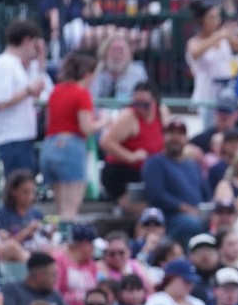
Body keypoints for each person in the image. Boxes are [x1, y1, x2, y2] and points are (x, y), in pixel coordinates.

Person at [41, 52, 108, 224]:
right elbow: (87, 127)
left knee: (60, 208)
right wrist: (104, 121)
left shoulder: (56, 91)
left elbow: (49, 124)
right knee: (70, 210)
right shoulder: (82, 94)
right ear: (87, 74)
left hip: (49, 146)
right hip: (71, 147)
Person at [0, 19, 50, 181]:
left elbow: (39, 90)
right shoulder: (5, 63)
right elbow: (1, 101)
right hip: (13, 138)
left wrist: (40, 60)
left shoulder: (17, 65)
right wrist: (29, 90)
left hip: (22, 137)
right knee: (19, 188)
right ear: (26, 40)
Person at [186, 1, 238, 130]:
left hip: (227, 90)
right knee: (208, 127)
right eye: (211, 18)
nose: (216, 21)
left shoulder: (224, 40)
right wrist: (218, 35)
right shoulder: (194, 42)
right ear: (202, 19)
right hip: (207, 91)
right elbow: (195, 53)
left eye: (217, 17)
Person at [99, 82, 166, 210]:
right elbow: (106, 142)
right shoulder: (129, 117)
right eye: (136, 104)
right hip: (123, 174)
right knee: (143, 209)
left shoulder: (162, 113)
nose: (140, 108)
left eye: (145, 105)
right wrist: (130, 156)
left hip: (148, 173)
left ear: (154, 102)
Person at [141, 118, 206, 245]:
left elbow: (206, 193)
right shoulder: (155, 162)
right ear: (163, 136)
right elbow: (156, 194)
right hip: (169, 218)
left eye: (180, 134)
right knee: (192, 224)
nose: (175, 138)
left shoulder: (193, 165)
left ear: (186, 139)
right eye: (171, 133)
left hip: (197, 214)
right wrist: (184, 208)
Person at [1, 251, 75, 305]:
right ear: (39, 275)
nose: (55, 280)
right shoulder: (12, 289)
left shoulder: (53, 293)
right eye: (53, 275)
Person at [53, 224, 99, 305]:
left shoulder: (91, 264)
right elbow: (54, 293)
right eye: (92, 244)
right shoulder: (59, 260)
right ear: (84, 244)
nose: (94, 248)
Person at [89, 34, 147, 101]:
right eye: (114, 50)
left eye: (121, 50)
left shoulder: (138, 73)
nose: (117, 55)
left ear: (128, 55)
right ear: (105, 53)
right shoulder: (96, 72)